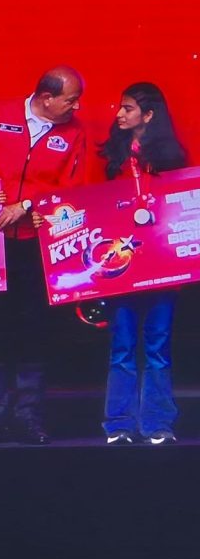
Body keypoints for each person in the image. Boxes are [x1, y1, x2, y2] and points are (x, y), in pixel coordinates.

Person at [0, 66, 87, 445]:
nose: (76, 107)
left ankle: (28, 418)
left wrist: (27, 204)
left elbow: (73, 187)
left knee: (32, 332)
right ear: (46, 98)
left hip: (35, 245)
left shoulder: (75, 132)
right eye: (71, 100)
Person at [97, 82, 186, 445]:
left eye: (128, 108)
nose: (119, 114)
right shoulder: (111, 157)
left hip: (162, 263)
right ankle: (119, 424)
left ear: (148, 115)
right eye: (120, 107)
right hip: (121, 263)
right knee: (122, 345)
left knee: (157, 346)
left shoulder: (172, 158)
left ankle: (157, 423)